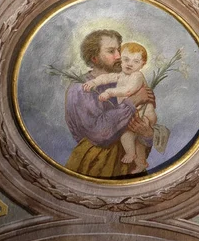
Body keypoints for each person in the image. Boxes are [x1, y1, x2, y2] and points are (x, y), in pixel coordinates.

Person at [64, 30, 155, 177]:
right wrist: (134, 101)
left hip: (128, 167)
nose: (119, 56)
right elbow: (99, 134)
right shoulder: (81, 89)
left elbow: (141, 130)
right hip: (96, 165)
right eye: (111, 51)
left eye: (119, 50)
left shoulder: (127, 80)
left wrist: (147, 133)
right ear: (94, 57)